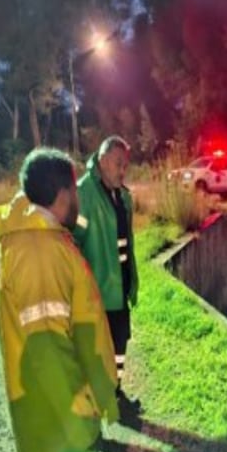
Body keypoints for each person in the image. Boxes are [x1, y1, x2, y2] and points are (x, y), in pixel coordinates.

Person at [0, 147, 119, 452]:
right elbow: (48, 349)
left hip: (50, 408)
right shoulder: (43, 252)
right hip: (58, 412)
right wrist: (83, 408)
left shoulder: (36, 239)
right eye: (75, 186)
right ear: (64, 192)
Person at [72, 136, 138, 407]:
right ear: (102, 161)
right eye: (117, 164)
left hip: (120, 286)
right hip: (97, 290)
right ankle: (94, 402)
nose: (122, 171)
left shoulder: (122, 196)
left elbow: (127, 243)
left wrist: (131, 280)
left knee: (120, 343)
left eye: (125, 166)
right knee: (96, 349)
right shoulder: (83, 194)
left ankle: (115, 390)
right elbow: (73, 241)